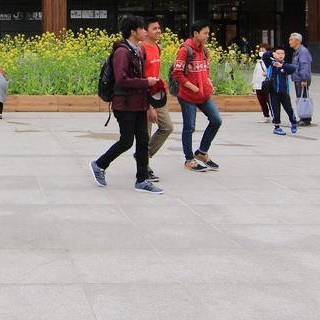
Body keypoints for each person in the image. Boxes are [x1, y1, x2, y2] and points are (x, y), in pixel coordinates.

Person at [90, 15, 163, 194]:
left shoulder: (137, 50)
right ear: (133, 31)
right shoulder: (122, 52)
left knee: (143, 140)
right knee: (126, 141)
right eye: (142, 29)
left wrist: (149, 103)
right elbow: (122, 79)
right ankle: (99, 164)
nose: (145, 32)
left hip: (138, 103)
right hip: (124, 104)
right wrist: (147, 82)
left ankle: (142, 180)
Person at [173, 20, 224, 172]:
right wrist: (192, 87)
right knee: (189, 127)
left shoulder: (205, 50)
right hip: (188, 95)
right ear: (196, 34)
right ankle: (189, 160)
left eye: (208, 33)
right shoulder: (185, 50)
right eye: (205, 33)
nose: (208, 36)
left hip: (203, 94)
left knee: (216, 120)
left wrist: (208, 82)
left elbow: (206, 70)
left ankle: (202, 152)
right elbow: (177, 74)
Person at [141, 17, 172, 180]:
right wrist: (149, 106)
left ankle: (143, 156)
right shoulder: (141, 50)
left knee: (167, 127)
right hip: (145, 97)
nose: (159, 31)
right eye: (155, 28)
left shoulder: (157, 47)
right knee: (145, 133)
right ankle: (144, 166)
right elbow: (141, 77)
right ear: (145, 31)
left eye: (159, 28)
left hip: (158, 94)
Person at [263, 48, 299, 135]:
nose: (280, 55)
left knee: (289, 109)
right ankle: (277, 127)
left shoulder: (285, 65)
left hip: (284, 92)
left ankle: (293, 122)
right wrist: (271, 53)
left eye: (282, 53)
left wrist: (282, 66)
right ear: (274, 54)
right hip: (273, 92)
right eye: (278, 53)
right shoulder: (270, 64)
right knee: (275, 110)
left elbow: (293, 69)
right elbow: (265, 56)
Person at [289, 32, 313, 125]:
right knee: (301, 98)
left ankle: (306, 119)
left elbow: (304, 65)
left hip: (301, 79)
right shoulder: (297, 51)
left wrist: (304, 79)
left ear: (298, 41)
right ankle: (303, 116)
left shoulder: (303, 51)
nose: (289, 42)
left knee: (303, 98)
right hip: (298, 78)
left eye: (291, 40)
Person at [250, 43, 272, 123]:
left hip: (266, 84)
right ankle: (266, 116)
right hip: (258, 85)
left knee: (269, 101)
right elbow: (255, 73)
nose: (260, 51)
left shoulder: (270, 61)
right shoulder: (259, 62)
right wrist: (253, 84)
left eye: (263, 50)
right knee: (262, 101)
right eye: (260, 50)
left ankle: (274, 115)